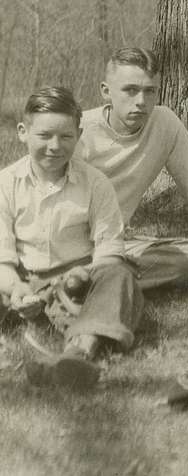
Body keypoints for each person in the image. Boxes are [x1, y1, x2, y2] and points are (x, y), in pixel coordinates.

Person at [0, 87, 144, 388]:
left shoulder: (95, 183)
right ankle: (21, 324)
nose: (55, 146)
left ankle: (78, 353)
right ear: (23, 132)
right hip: (22, 278)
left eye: (65, 137)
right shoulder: (6, 183)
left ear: (78, 134)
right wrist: (16, 289)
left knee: (120, 275)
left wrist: (85, 274)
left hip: (75, 281)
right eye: (44, 136)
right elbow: (3, 256)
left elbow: (109, 250)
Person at [77, 48, 188, 290]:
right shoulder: (80, 130)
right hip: (65, 242)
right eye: (130, 90)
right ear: (106, 91)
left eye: (150, 91)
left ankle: (90, 281)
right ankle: (98, 280)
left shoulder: (164, 124)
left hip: (114, 245)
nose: (141, 101)